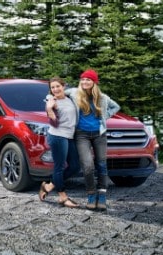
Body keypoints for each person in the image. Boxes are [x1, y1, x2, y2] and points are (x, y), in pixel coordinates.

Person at [70, 69, 120, 210]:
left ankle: (102, 196)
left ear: (94, 82)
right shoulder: (74, 93)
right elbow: (56, 93)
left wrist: (105, 117)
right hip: (81, 134)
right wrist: (50, 100)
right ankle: (91, 195)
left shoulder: (102, 98)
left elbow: (116, 107)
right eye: (83, 79)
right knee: (87, 166)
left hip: (99, 134)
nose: (85, 82)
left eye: (88, 80)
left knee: (102, 165)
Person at [39, 77, 80, 208]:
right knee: (59, 166)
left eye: (58, 86)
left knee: (75, 166)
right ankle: (62, 197)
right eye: (53, 87)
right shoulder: (52, 102)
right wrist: (50, 109)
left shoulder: (70, 98)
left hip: (69, 136)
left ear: (64, 86)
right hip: (57, 136)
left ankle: (49, 185)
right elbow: (54, 123)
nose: (55, 89)